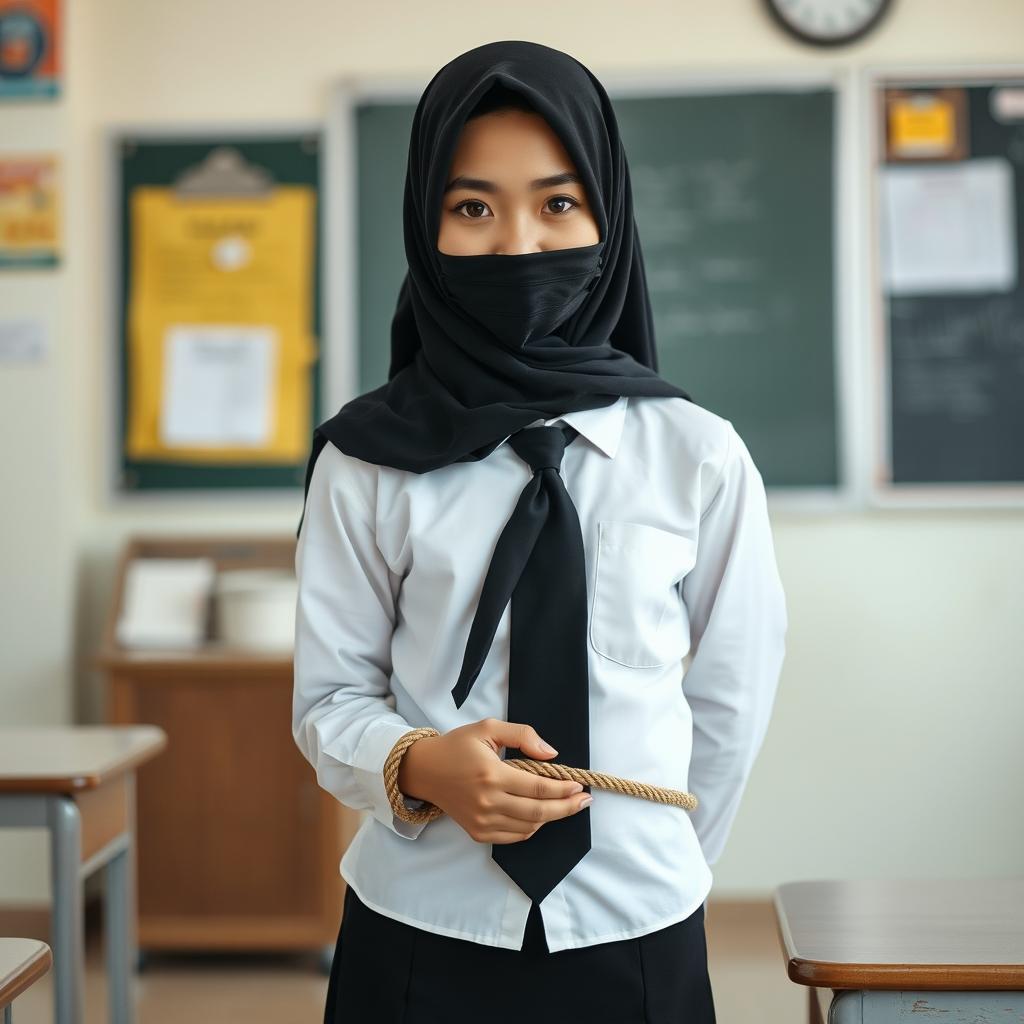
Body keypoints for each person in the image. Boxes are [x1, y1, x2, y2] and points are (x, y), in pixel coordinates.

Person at [292, 39, 787, 1024]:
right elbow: (329, 696)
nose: (518, 243)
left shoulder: (697, 453)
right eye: (472, 207)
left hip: (638, 927)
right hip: (415, 925)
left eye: (557, 204)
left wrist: (665, 860)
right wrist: (420, 765)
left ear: (607, 216)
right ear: (424, 225)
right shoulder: (365, 460)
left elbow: (731, 691)